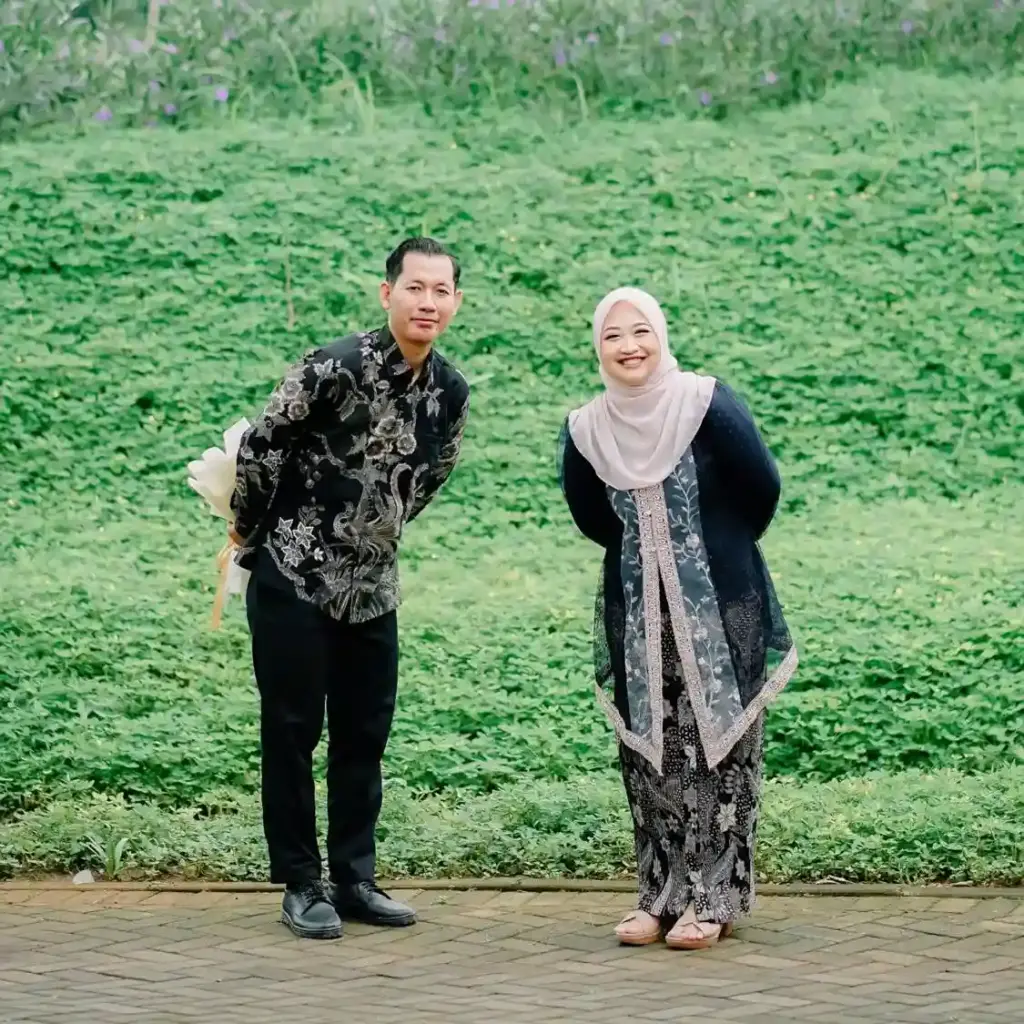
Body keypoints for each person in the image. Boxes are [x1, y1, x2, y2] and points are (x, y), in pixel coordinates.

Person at [228, 237, 470, 940]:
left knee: (364, 736)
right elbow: (262, 445)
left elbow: (432, 476)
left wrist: (376, 534)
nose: (427, 302)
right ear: (387, 292)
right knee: (292, 731)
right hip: (293, 578)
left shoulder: (450, 391)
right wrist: (249, 528)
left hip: (374, 589)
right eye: (415, 287)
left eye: (441, 291)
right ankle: (301, 883)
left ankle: (355, 878)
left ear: (456, 302)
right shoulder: (331, 367)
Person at [558, 287, 797, 951]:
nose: (629, 345)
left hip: (719, 604)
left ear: (660, 335)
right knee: (650, 751)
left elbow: (762, 486)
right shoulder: (587, 429)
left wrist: (708, 546)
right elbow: (592, 517)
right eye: (612, 335)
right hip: (639, 612)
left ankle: (714, 899)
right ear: (598, 348)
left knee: (721, 748)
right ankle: (659, 896)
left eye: (640, 331)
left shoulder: (705, 403)